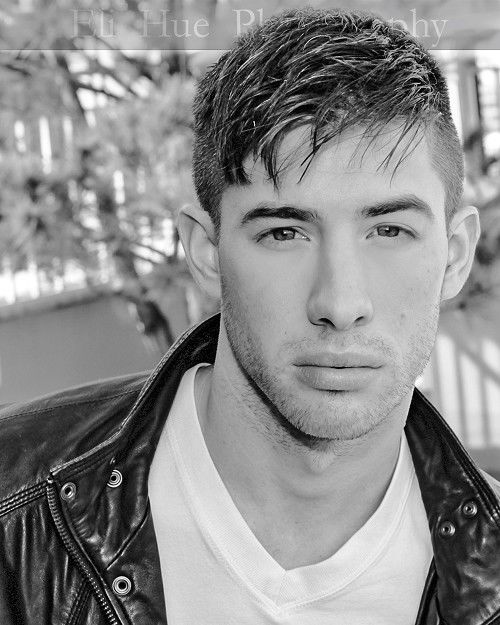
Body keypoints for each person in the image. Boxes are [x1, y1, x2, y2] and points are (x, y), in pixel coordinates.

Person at [0, 8, 496, 625]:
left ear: (456, 255)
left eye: (390, 230)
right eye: (285, 233)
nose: (340, 305)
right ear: (207, 252)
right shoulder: (15, 516)